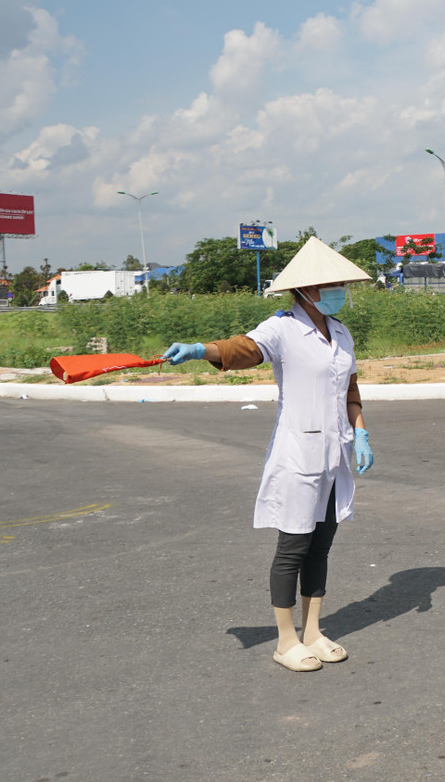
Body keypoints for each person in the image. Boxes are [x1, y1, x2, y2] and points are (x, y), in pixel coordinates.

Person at [163, 237, 376, 672]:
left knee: (321, 547)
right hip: (298, 453)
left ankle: (313, 632)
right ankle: (286, 641)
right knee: (293, 547)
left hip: (336, 454)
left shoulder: (341, 332)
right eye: (332, 284)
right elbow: (245, 349)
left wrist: (362, 431)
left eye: (341, 283)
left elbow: (349, 390)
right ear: (307, 290)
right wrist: (202, 350)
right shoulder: (281, 328)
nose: (340, 290)